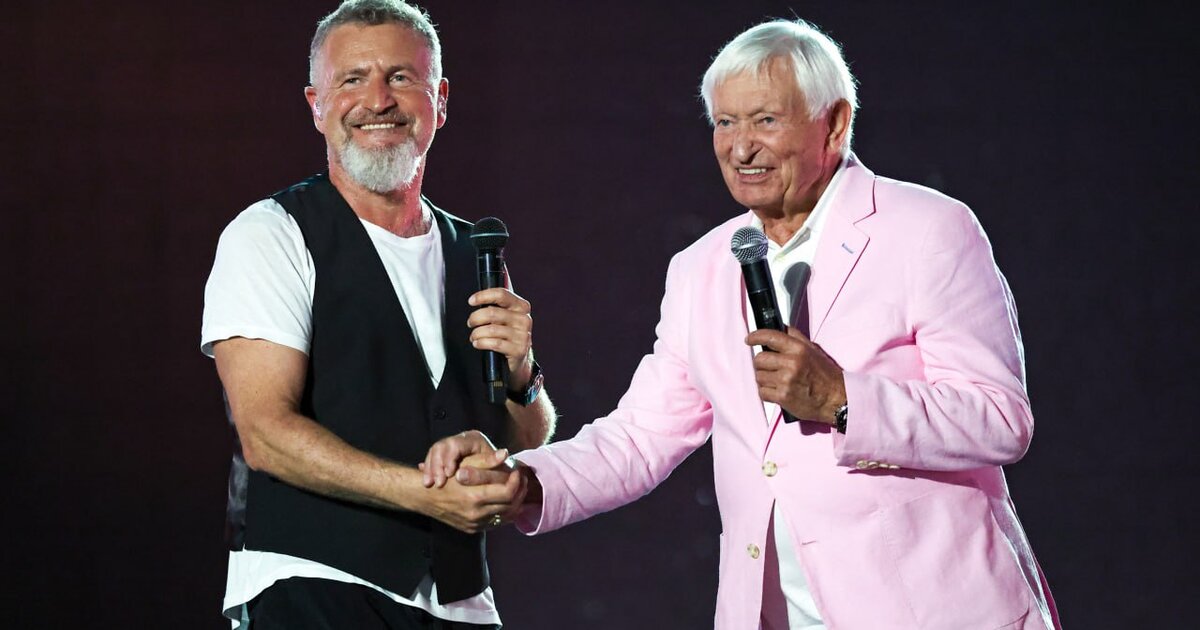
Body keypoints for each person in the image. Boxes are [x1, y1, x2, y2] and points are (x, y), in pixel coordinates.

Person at [423, 18, 1061, 630]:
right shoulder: (701, 267)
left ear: (835, 123)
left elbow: (1000, 418)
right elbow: (640, 436)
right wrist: (524, 480)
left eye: (765, 120)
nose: (740, 146)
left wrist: (844, 400)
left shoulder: (926, 229)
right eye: (724, 122)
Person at [200, 1, 555, 627]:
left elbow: (526, 438)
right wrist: (424, 495)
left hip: (459, 602)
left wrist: (523, 371)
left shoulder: (474, 252)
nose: (378, 100)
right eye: (352, 79)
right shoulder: (271, 234)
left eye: (400, 77)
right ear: (316, 105)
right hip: (312, 585)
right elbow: (266, 435)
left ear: (439, 100)